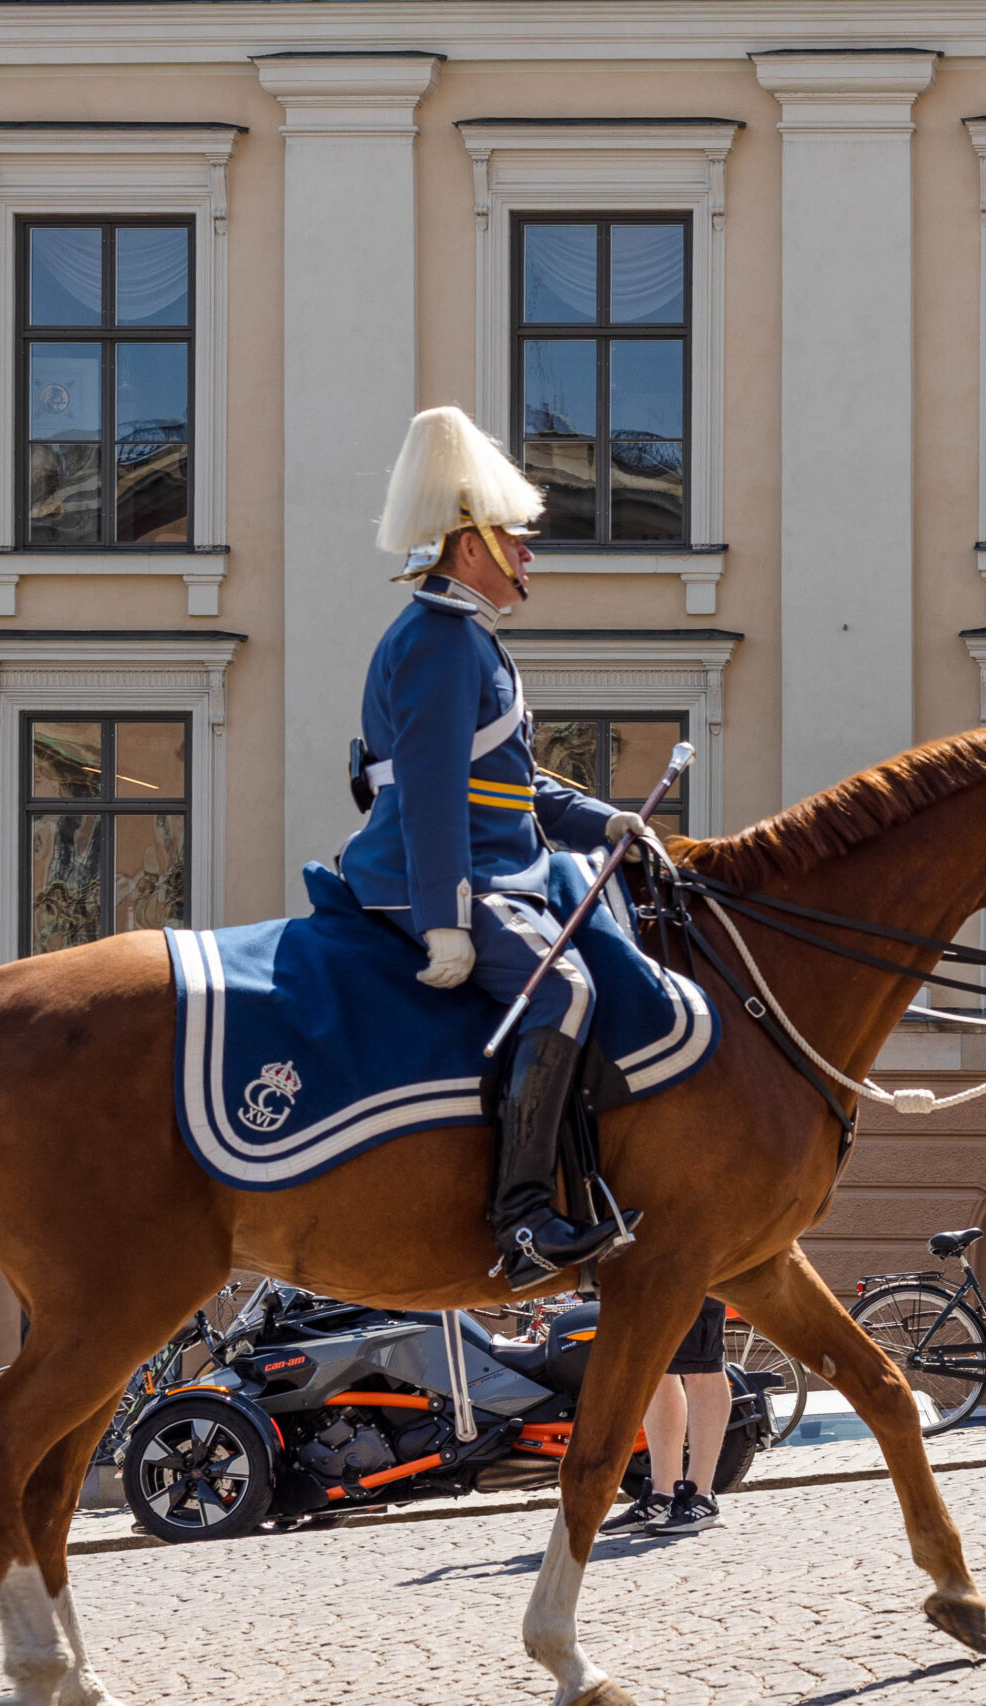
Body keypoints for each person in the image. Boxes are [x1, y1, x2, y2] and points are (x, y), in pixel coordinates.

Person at [343, 405, 645, 1290]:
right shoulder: (440, 641)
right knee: (562, 989)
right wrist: (446, 919)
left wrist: (602, 822)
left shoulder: (465, 638)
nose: (528, 556)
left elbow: (508, 782)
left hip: (488, 867)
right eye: (515, 539)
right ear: (467, 544)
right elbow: (431, 791)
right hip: (435, 877)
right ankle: (520, 1219)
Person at [605, 1299, 732, 1536]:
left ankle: (700, 1499)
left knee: (701, 1365)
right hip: (647, 1270)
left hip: (696, 1268)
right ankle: (663, 1497)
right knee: (654, 1369)